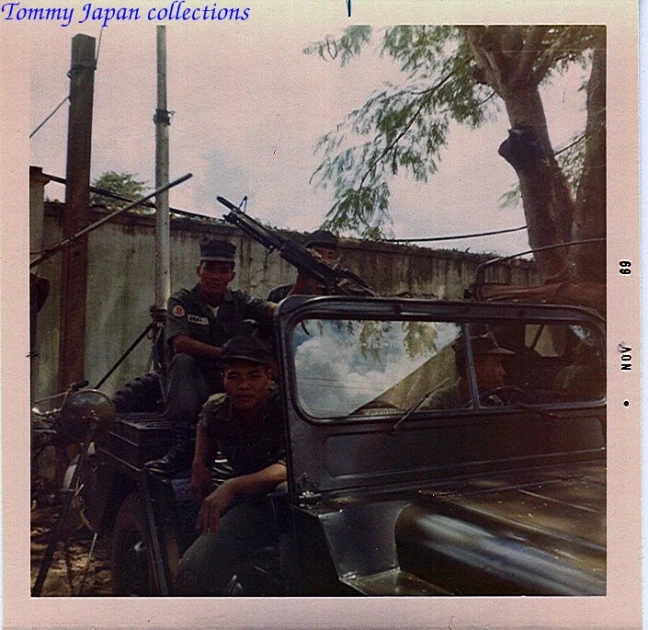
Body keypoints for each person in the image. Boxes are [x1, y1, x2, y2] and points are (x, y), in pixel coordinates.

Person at [145, 238, 276, 475]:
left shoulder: (239, 300)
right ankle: (181, 444)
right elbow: (180, 343)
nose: (216, 276)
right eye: (210, 269)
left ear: (231, 276)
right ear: (199, 271)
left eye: (223, 270)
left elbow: (270, 309)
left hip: (232, 379)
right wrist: (225, 354)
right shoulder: (182, 300)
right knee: (183, 362)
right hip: (197, 379)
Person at [174, 336, 287, 596]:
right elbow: (206, 422)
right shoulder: (217, 408)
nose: (244, 386)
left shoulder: (284, 406)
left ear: (269, 376)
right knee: (192, 572)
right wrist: (199, 462)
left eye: (254, 376)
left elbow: (293, 465)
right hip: (251, 504)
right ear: (223, 378)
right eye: (234, 377)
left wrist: (233, 486)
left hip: (284, 503)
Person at [424, 331, 514, 410]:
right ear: (474, 368)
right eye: (496, 364)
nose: (502, 372)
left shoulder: (494, 403)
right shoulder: (438, 403)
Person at [267, 229, 339, 301]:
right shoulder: (279, 294)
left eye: (330, 256)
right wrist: (301, 282)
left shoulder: (340, 298)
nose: (324, 260)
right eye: (319, 253)